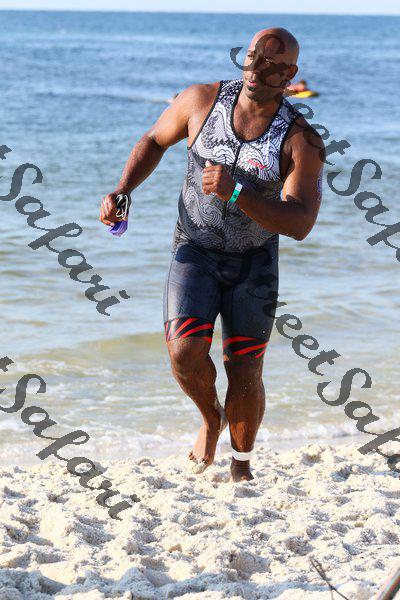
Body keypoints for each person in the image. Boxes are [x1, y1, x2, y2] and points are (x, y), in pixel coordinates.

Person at [100, 27, 325, 482]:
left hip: (254, 261)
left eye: (270, 64)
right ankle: (210, 417)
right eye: (252, 56)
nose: (256, 69)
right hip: (194, 248)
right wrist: (123, 189)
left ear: (290, 74)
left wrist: (237, 191)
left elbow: (301, 222)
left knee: (245, 369)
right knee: (184, 352)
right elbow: (154, 140)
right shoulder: (201, 100)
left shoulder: (302, 139)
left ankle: (241, 466)